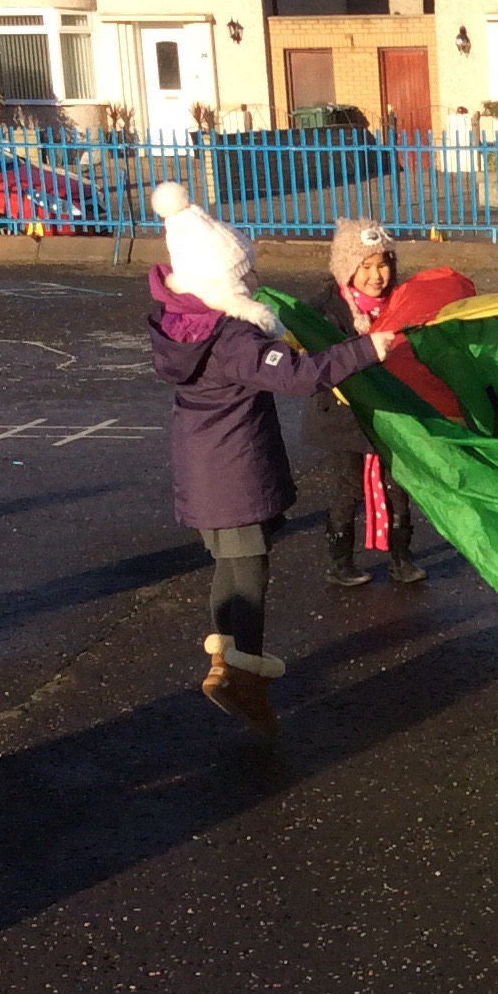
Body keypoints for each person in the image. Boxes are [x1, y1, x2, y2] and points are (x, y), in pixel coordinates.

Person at [146, 182, 395, 740]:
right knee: (250, 572)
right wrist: (368, 349)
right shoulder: (231, 336)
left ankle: (223, 659)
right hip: (234, 471)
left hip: (205, 470)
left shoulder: (188, 325)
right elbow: (299, 376)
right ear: (223, 279)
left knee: (228, 566)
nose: (254, 279)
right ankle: (243, 678)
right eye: (246, 272)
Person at [304, 219, 426, 588]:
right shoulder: (326, 310)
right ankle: (340, 561)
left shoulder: (403, 302)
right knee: (350, 487)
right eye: (366, 266)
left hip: (391, 411)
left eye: (383, 265)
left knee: (399, 486)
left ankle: (401, 557)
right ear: (347, 269)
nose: (376, 276)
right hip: (344, 416)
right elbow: (316, 359)